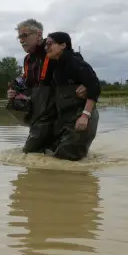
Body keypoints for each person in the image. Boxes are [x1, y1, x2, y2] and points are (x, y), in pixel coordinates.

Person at [22, 31, 101, 161]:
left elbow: (95, 86)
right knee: (55, 156)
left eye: (49, 44)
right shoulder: (56, 66)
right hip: (65, 121)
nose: (46, 47)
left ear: (63, 45)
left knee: (66, 161)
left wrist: (85, 116)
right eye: (45, 45)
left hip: (80, 120)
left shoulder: (75, 62)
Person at [6, 18, 84, 123]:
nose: (21, 40)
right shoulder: (27, 59)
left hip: (71, 116)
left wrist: (85, 85)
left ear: (38, 35)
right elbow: (29, 87)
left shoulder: (54, 50)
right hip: (44, 117)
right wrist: (15, 93)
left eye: (24, 35)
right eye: (19, 37)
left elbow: (80, 65)